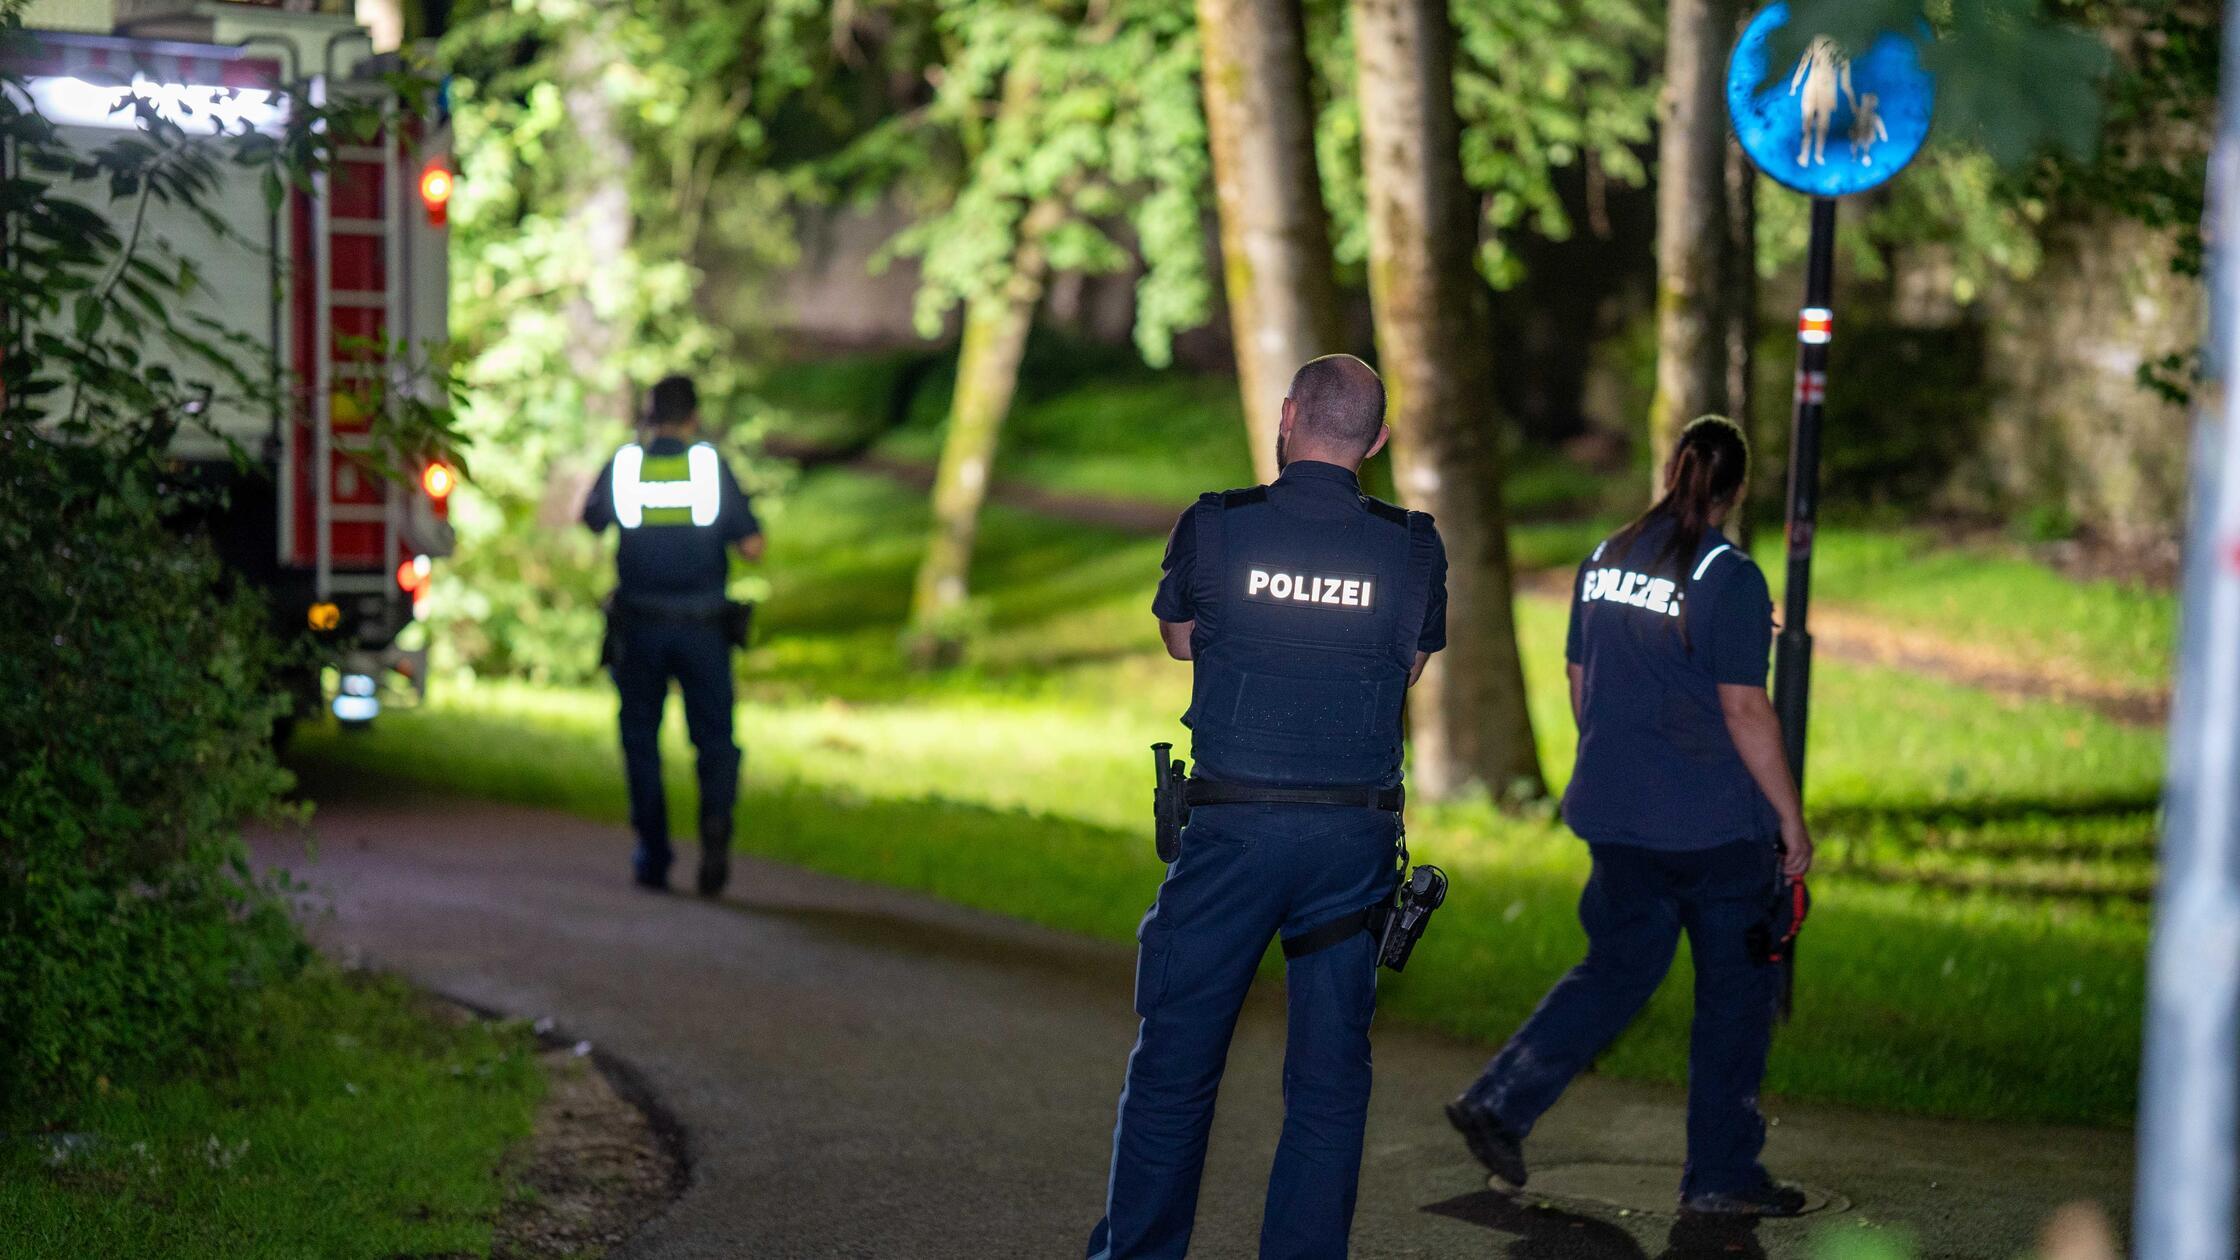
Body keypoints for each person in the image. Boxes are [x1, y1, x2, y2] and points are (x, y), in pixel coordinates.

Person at [1087, 355, 1447, 1260]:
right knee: (1328, 1089)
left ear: (1287, 418)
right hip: (1350, 844)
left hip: (1231, 835)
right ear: (1378, 440)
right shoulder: (1412, 546)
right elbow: (1406, 666)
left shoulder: (1216, 526)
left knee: (1174, 1071)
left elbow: (1179, 640)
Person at [1444, 415, 1814, 1217]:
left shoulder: (1605, 558)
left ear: (1673, 468)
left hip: (1616, 817)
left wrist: (1620, 765)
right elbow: (1746, 711)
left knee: (1615, 968)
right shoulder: (1729, 577)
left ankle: (1501, 1101)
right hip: (1714, 831)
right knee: (1734, 998)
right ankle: (1720, 1174)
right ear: (1736, 488)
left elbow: (1581, 681)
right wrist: (1792, 820)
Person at [581, 374, 764, 896]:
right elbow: (752, 545)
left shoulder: (626, 466)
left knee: (641, 740)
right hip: (704, 629)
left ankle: (653, 856)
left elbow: (592, 521)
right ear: (694, 416)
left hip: (639, 626)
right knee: (715, 742)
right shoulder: (710, 467)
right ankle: (715, 832)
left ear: (648, 414)